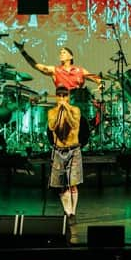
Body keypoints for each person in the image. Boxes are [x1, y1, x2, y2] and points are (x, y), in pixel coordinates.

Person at [47, 86, 83, 223]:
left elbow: (74, 125)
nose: (62, 99)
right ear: (57, 97)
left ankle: (73, 211)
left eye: (65, 96)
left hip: (73, 149)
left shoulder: (75, 110)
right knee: (62, 184)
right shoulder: (51, 112)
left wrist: (66, 109)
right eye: (59, 96)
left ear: (68, 97)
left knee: (73, 183)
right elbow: (52, 127)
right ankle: (67, 212)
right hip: (58, 150)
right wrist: (59, 113)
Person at [13, 41, 101, 90]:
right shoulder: (55, 70)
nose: (61, 54)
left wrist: (101, 84)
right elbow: (35, 65)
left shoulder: (80, 71)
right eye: (60, 53)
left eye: (64, 52)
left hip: (79, 104)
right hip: (62, 104)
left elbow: (98, 79)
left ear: (71, 56)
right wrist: (23, 52)